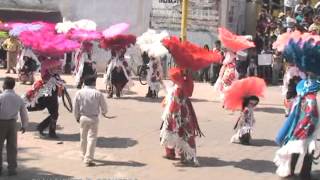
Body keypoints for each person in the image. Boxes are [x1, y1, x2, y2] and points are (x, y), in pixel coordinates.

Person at [24, 59, 65, 138]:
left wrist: (60, 87)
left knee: (54, 114)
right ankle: (48, 130)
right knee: (54, 114)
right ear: (51, 68)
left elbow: (59, 91)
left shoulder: (55, 75)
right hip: (47, 94)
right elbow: (47, 84)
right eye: (57, 67)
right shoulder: (46, 71)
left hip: (51, 95)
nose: (59, 68)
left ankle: (45, 129)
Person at [73, 75, 108, 166]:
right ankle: (88, 159)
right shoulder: (97, 93)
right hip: (93, 118)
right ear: (93, 82)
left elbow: (75, 107)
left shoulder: (79, 93)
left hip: (83, 117)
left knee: (83, 137)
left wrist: (77, 116)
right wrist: (104, 112)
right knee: (92, 138)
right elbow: (104, 107)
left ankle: (83, 154)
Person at [0, 77, 28, 176]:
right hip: (13, 124)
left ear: (5, 85)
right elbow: (23, 113)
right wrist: (24, 125)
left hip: (1, 123)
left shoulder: (1, 97)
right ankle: (12, 168)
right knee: (12, 147)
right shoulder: (18, 98)